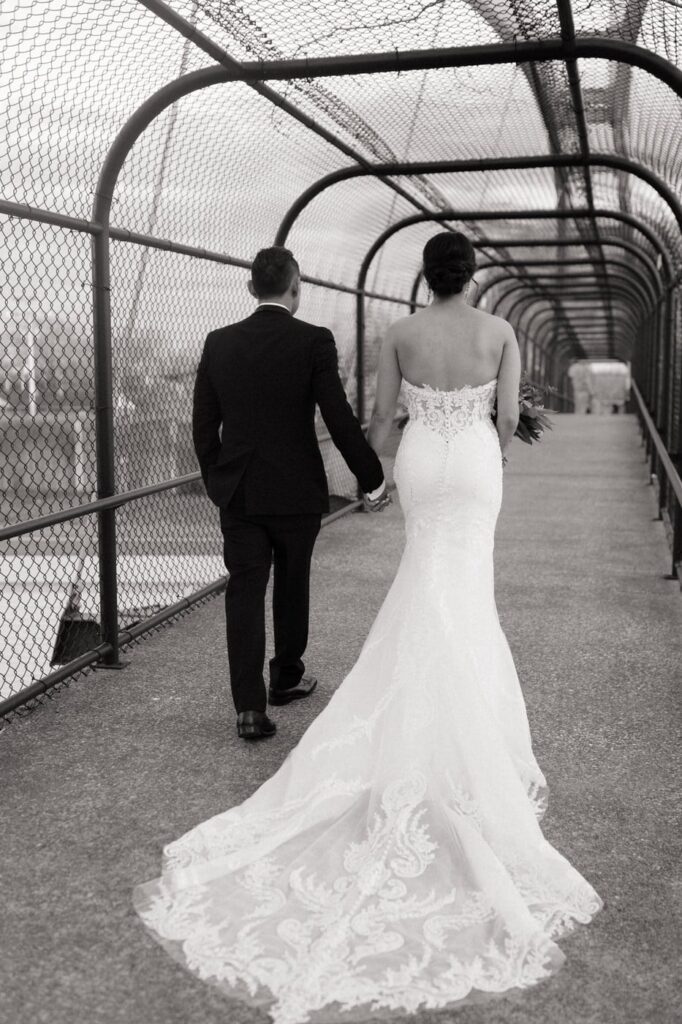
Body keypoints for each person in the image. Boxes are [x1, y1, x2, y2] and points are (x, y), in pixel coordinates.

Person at [136, 232, 601, 1022]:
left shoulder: (400, 334)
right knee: (466, 592)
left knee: (423, 581)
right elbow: (508, 412)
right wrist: (484, 448)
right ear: (474, 276)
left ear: (425, 277)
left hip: (420, 461)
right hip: (476, 470)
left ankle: (351, 712)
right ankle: (469, 732)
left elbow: (383, 416)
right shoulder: (500, 332)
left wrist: (380, 473)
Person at [191, 246, 389, 741]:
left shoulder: (219, 342)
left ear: (251, 288)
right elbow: (339, 419)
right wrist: (372, 478)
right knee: (292, 583)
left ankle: (249, 710)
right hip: (298, 489)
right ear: (296, 287)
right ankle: (284, 679)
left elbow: (202, 427)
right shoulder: (314, 342)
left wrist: (219, 478)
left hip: (238, 492)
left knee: (244, 593)